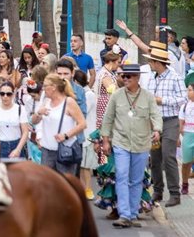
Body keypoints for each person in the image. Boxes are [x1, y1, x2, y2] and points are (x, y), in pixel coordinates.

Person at [101, 64, 162, 228]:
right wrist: (105, 140)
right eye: (123, 76)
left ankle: (133, 213)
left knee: (136, 180)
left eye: (128, 76)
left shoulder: (148, 97)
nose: (125, 79)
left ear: (137, 78)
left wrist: (157, 130)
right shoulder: (116, 96)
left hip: (141, 143)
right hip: (121, 142)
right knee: (121, 175)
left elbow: (156, 115)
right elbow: (108, 119)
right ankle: (125, 214)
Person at [144, 46, 186, 207]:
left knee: (168, 155)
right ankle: (158, 191)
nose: (149, 64)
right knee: (154, 158)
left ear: (158, 63)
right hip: (154, 122)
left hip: (170, 121)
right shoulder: (152, 78)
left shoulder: (175, 77)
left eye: (151, 61)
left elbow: (182, 98)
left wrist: (162, 100)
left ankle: (175, 193)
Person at [30, 73, 86, 174]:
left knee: (65, 185)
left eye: (45, 86)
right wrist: (38, 113)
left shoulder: (68, 102)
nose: (43, 89)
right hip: (47, 151)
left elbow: (82, 124)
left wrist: (66, 135)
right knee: (47, 185)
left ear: (53, 87)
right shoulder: (46, 102)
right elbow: (33, 121)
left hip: (65, 151)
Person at [0, 81, 29, 159]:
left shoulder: (20, 109)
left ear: (13, 95)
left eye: (8, 94)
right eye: (2, 93)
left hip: (17, 145)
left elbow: (25, 132)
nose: (5, 96)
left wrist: (18, 149)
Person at [75, 70, 98, 200]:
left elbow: (82, 112)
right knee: (81, 164)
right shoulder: (83, 93)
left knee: (86, 165)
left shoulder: (88, 94)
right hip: (82, 134)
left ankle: (88, 188)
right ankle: (82, 188)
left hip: (87, 134)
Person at [95, 52, 121, 134]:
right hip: (105, 104)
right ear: (111, 61)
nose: (119, 65)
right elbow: (113, 91)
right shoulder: (105, 74)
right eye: (118, 62)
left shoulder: (109, 73)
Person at [179, 77, 194, 196]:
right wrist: (181, 134)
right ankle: (184, 183)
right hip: (188, 133)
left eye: (190, 90)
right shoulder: (184, 106)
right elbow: (181, 123)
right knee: (186, 162)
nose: (188, 92)